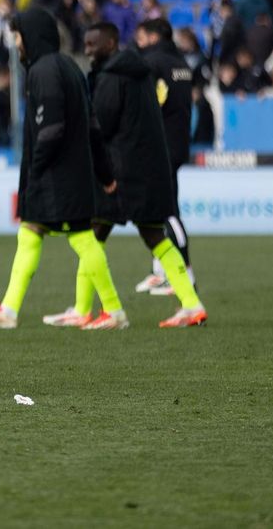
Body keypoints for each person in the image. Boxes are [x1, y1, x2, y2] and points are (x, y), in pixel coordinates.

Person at [0, 7, 129, 330]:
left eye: (17, 36)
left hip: (58, 174)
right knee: (30, 233)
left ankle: (114, 310)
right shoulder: (68, 67)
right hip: (67, 171)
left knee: (82, 238)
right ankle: (9, 310)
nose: (15, 43)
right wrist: (105, 173)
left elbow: (51, 128)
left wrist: (37, 170)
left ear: (31, 36)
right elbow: (93, 126)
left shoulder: (44, 71)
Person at [44, 23, 207, 328]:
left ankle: (97, 310)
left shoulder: (112, 79)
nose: (89, 50)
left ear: (112, 43)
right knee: (153, 236)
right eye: (86, 44)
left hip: (119, 174)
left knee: (91, 236)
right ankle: (191, 304)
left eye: (94, 44)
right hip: (145, 169)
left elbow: (100, 126)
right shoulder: (141, 73)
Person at [134, 18, 199, 295]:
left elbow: (151, 104)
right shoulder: (181, 63)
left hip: (160, 146)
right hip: (178, 142)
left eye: (140, 37)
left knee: (168, 211)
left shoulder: (153, 62)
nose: (138, 43)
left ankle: (186, 272)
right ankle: (161, 271)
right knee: (159, 208)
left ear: (151, 37)